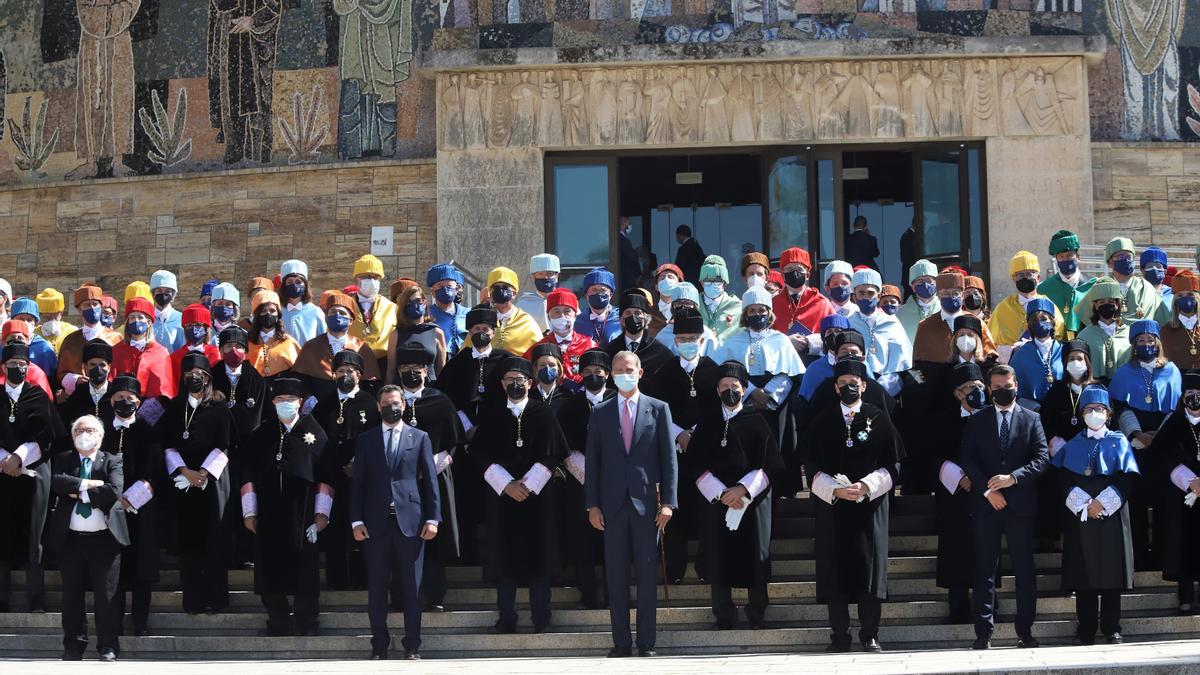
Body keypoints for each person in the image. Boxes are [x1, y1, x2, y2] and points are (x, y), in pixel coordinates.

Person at [805, 359, 903, 653]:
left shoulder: (879, 417)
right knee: (835, 569)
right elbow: (810, 465)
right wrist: (835, 489)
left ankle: (870, 633)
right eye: (843, 382)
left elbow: (894, 463)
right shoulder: (822, 420)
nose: (849, 387)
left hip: (869, 508)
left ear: (864, 385)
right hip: (833, 507)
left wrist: (866, 486)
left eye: (854, 382)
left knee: (869, 569)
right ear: (835, 387)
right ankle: (839, 635)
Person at [585, 350, 678, 657]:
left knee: (648, 574)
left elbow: (669, 459)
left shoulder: (658, 408)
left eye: (629, 369)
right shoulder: (600, 412)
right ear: (611, 374)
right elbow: (593, 463)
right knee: (615, 575)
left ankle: (647, 642)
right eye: (617, 369)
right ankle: (621, 642)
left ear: (640, 373)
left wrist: (669, 503)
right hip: (611, 506)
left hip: (647, 504)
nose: (623, 373)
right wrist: (592, 505)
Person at [472, 356, 569, 634]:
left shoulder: (544, 413)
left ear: (530, 382)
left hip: (538, 496)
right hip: (502, 497)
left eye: (520, 379)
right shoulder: (491, 414)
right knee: (504, 558)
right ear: (502, 384)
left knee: (540, 555)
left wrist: (527, 484)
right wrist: (506, 484)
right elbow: (479, 454)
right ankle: (506, 616)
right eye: (509, 379)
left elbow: (555, 453)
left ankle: (541, 616)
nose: (515, 384)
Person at [959, 364, 1048, 649]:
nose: (1002, 391)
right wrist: (988, 490)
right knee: (984, 569)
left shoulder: (1032, 418)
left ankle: (1025, 630)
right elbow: (969, 460)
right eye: (996, 387)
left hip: (1020, 505)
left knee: (1024, 569)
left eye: (1007, 386)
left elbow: (1042, 458)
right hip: (986, 506)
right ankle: (983, 632)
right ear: (989, 389)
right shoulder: (976, 420)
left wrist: (1013, 479)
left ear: (1016, 385)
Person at [349, 385, 440, 660]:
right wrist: (356, 520)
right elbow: (358, 484)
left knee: (412, 588)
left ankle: (412, 645)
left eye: (396, 403)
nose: (392, 407)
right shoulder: (366, 439)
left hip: (411, 524)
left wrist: (433, 518)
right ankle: (379, 645)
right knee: (377, 588)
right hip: (375, 525)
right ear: (378, 407)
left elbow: (430, 482)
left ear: (404, 404)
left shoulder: (420, 437)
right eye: (387, 403)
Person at [690, 360, 782, 629]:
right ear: (717, 390)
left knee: (754, 553)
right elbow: (694, 463)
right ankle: (723, 614)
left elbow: (771, 464)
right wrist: (721, 493)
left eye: (735, 386)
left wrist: (743, 489)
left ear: (744, 389)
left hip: (750, 502)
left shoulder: (759, 421)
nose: (730, 390)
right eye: (724, 386)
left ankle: (757, 612)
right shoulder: (707, 423)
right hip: (716, 500)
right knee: (718, 554)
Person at [240, 377, 331, 636]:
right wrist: (249, 511)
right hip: (269, 513)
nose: (285, 405)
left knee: (305, 569)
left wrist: (322, 513)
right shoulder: (262, 434)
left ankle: (306, 622)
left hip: (303, 514)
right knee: (270, 568)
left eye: (290, 400)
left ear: (300, 403)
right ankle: (278, 621)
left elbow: (326, 475)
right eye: (280, 400)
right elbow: (247, 474)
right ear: (272, 403)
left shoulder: (315, 432)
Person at [1050, 384, 1139, 645]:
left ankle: (1112, 627)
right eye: (1089, 409)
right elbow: (1062, 478)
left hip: (1112, 515)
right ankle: (1086, 628)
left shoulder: (1119, 441)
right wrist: (1083, 503)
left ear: (1108, 414)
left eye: (1099, 409)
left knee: (1112, 574)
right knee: (1083, 574)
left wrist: (1104, 503)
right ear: (1082, 412)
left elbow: (1127, 479)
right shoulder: (1073, 444)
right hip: (1081, 516)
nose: (1094, 413)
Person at [644, 307, 719, 584]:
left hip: (707, 452)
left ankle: (706, 567)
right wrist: (679, 434)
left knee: (707, 510)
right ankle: (673, 568)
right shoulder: (662, 373)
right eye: (682, 338)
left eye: (693, 338)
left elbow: (720, 407)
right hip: (673, 452)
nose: (688, 342)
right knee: (673, 510)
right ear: (675, 341)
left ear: (702, 340)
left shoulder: (714, 370)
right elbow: (653, 411)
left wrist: (696, 433)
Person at [49, 415, 128, 662]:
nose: (85, 433)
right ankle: (73, 646)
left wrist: (79, 493)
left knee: (107, 597)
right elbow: (57, 482)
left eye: (91, 429)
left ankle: (108, 645)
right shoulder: (63, 459)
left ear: (101, 436)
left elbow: (114, 490)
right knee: (71, 596)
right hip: (71, 540)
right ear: (73, 436)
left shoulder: (112, 460)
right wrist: (89, 483)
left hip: (105, 540)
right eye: (80, 430)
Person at [163, 353, 235, 614]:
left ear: (208, 378)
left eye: (200, 374)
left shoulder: (219, 406)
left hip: (211, 481)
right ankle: (192, 600)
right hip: (183, 481)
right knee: (189, 545)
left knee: (213, 542)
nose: (195, 378)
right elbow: (167, 443)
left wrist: (203, 473)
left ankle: (216, 600)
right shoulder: (174, 406)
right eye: (189, 373)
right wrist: (185, 471)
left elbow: (225, 444)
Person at [393, 344, 463, 612]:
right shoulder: (391, 400)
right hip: (398, 482)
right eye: (406, 370)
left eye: (417, 369)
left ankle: (434, 596)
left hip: (433, 479)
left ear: (426, 371)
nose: (412, 374)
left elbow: (453, 441)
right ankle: (400, 596)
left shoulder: (440, 400)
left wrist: (428, 467)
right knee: (399, 537)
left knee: (433, 537)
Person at [1108, 319, 1181, 570]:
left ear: (1158, 343)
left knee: (1163, 504)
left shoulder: (1171, 370)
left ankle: (1162, 557)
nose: (1146, 345)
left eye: (1150, 340)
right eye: (1140, 341)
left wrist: (1158, 437)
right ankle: (1138, 558)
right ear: (1133, 345)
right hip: (1135, 445)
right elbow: (1119, 407)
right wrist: (1138, 435)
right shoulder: (1123, 372)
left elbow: (1176, 408)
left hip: (1164, 441)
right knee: (1137, 504)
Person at [0, 342, 61, 614]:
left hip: (33, 474)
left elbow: (46, 436)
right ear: (4, 368)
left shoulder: (38, 396)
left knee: (34, 535)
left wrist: (19, 458)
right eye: (13, 365)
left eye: (23, 365)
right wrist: (5, 459)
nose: (18, 369)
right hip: (2, 474)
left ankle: (35, 600)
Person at [932, 362, 987, 624]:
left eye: (980, 386)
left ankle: (986, 606)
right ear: (957, 394)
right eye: (970, 388)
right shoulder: (943, 421)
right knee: (956, 549)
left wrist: (979, 480)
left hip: (987, 494)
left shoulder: (993, 418)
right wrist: (961, 478)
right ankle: (958, 607)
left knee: (985, 550)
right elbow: (935, 456)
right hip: (954, 495)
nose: (977, 392)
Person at [106, 375, 161, 636]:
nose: (125, 403)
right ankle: (113, 623)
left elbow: (155, 471)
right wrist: (113, 497)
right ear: (111, 401)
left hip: (141, 508)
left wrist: (131, 498)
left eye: (130, 399)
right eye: (120, 398)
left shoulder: (148, 431)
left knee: (141, 569)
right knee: (112, 569)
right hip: (108, 510)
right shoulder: (101, 429)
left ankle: (140, 622)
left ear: (138, 402)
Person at [714, 287, 804, 436]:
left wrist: (769, 397)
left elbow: (790, 375)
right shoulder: (733, 342)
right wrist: (752, 392)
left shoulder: (780, 340)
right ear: (745, 315)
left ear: (769, 313)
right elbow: (727, 373)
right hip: (743, 403)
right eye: (752, 311)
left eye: (762, 310)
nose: (757, 314)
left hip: (775, 406)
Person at [1037, 340, 1097, 550]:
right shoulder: (1057, 390)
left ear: (1088, 362)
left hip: (1090, 455)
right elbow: (1044, 422)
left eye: (1079, 358)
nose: (1075, 362)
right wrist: (1054, 441)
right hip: (1060, 455)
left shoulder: (1097, 389)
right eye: (1071, 359)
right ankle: (1054, 538)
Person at [1156, 371, 1200, 614]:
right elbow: (1162, 454)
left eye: (1199, 394)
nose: (1194, 398)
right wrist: (1189, 480)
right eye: (1190, 394)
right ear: (1183, 397)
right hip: (1182, 494)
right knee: (1183, 544)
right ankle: (1185, 596)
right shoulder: (1174, 422)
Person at [291, 292, 382, 403]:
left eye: (342, 313)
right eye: (333, 312)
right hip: (319, 407)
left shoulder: (362, 348)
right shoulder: (311, 346)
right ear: (326, 318)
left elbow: (371, 383)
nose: (337, 315)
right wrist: (308, 399)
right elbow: (299, 380)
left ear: (351, 321)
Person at [989, 251, 1067, 357]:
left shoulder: (1049, 306)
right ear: (1013, 279)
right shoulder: (1002, 308)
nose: (1025, 278)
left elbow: (1059, 339)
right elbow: (992, 345)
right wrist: (1013, 350)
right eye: (1020, 275)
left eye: (1029, 274)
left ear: (1038, 278)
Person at [848, 268, 912, 397]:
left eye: (871, 293)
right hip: (857, 385)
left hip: (890, 384)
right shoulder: (848, 323)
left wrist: (882, 387)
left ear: (878, 296)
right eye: (861, 293)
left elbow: (901, 359)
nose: (866, 297)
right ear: (854, 297)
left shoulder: (892, 323)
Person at [913, 271, 998, 365]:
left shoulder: (976, 322)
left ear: (962, 295)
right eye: (945, 293)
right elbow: (917, 363)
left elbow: (990, 356)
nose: (950, 297)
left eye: (955, 293)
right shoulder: (926, 325)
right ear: (938, 295)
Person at [524, 288, 597, 388]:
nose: (562, 316)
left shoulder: (589, 345)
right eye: (556, 312)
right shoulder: (538, 348)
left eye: (567, 311)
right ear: (549, 316)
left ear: (575, 315)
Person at [603, 291, 674, 391]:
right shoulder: (610, 351)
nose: (633, 317)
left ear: (646, 318)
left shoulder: (662, 354)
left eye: (637, 313)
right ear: (622, 320)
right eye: (628, 313)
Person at [56, 284, 121, 389]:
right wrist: (75, 380)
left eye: (95, 304)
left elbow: (121, 370)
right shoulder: (70, 341)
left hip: (109, 396)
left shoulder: (116, 338)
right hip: (80, 397)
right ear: (79, 309)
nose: (92, 308)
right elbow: (61, 373)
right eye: (87, 305)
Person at [112, 297, 176, 399]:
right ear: (127, 323)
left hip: (151, 411)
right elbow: (111, 384)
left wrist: (146, 413)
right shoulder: (117, 351)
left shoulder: (161, 353)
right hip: (122, 407)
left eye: (140, 317)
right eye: (132, 317)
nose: (136, 320)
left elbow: (164, 390)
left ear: (149, 322)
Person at [771, 247, 833, 350]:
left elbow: (833, 336)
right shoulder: (773, 304)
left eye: (799, 269)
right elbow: (763, 337)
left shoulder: (822, 303)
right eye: (790, 269)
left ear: (807, 275)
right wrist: (785, 341)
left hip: (813, 362)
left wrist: (809, 342)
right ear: (783, 276)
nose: (795, 273)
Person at [1039, 230, 1096, 338]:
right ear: (1056, 259)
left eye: (1070, 255)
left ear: (1078, 257)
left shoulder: (1093, 286)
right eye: (1061, 256)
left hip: (1086, 345)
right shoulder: (1043, 290)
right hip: (1055, 346)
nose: (1066, 259)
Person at [385, 285, 447, 384]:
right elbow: (391, 370)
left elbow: (442, 369)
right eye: (409, 302)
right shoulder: (396, 334)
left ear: (424, 302)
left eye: (418, 300)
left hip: (430, 388)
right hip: (402, 388)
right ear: (404, 306)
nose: (415, 305)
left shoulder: (436, 332)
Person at [1074, 277, 1132, 381]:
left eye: (1110, 301)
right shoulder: (1084, 336)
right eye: (1101, 302)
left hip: (1124, 387)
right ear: (1095, 306)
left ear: (1117, 305)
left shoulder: (1129, 333)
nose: (1106, 304)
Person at [1008, 298, 1064, 404]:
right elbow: (1014, 388)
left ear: (1052, 322)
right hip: (1032, 410)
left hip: (1060, 408)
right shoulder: (1020, 354)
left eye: (1043, 319)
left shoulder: (1064, 350)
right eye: (1035, 321)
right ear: (1030, 325)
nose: (1039, 323)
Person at [348, 255, 399, 371]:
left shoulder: (392, 308)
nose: (371, 281)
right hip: (352, 363)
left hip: (383, 364)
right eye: (366, 276)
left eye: (376, 277)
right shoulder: (346, 305)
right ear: (357, 278)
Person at [484, 266, 541, 356]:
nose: (500, 290)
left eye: (505, 287)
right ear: (490, 293)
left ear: (514, 293)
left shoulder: (526, 321)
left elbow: (538, 353)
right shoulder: (482, 318)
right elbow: (468, 349)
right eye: (496, 287)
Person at [1104, 237, 1162, 325]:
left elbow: (1162, 321)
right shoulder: (1101, 286)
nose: (1126, 259)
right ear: (1110, 262)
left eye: (1129, 256)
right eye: (1121, 256)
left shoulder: (1147, 288)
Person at [59, 339, 116, 425]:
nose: (98, 369)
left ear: (109, 368)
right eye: (93, 365)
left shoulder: (116, 394)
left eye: (102, 365)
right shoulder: (76, 396)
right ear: (85, 367)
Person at [246, 291, 300, 380]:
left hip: (282, 391)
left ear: (278, 314)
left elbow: (299, 373)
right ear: (257, 315)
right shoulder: (246, 342)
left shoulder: (289, 342)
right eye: (263, 311)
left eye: (272, 311)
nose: (268, 314)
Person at [279, 260, 327, 346]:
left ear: (305, 285)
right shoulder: (279, 312)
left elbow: (323, 341)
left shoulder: (315, 312)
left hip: (308, 358)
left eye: (298, 282)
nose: (294, 285)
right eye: (290, 282)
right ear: (284, 286)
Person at [1161, 270, 1200, 372]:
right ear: (1174, 301)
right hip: (1178, 381)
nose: (1185, 299)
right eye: (1180, 296)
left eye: (1189, 294)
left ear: (1197, 298)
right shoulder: (1166, 330)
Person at [698, 255, 742, 346]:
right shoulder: (693, 306)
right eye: (708, 280)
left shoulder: (738, 307)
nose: (713, 283)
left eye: (717, 280)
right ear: (701, 282)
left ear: (725, 283)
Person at [170, 304, 220, 383]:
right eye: (189, 325)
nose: (193, 329)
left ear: (206, 328)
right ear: (185, 329)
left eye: (198, 325)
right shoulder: (175, 357)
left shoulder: (216, 354)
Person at [10, 298, 59, 378]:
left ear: (35, 323)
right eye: (21, 319)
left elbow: (51, 379)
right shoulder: (3, 344)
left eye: (29, 320)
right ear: (12, 320)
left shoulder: (44, 348)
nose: (25, 323)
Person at [427, 264, 469, 354]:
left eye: (449, 286)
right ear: (432, 292)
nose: (446, 290)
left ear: (456, 289)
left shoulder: (468, 313)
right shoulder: (426, 314)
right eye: (440, 286)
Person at [896, 259, 940, 344]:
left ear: (936, 283)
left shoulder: (944, 309)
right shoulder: (900, 314)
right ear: (912, 286)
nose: (925, 284)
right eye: (920, 281)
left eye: (928, 280)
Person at [576, 267, 622, 346]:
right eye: (594, 290)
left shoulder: (621, 318)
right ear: (587, 294)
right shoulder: (577, 321)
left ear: (610, 294)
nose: (598, 294)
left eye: (602, 290)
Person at [515, 253, 560, 333]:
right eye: (540, 274)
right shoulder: (523, 305)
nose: (545, 277)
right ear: (533, 277)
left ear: (556, 277)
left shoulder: (566, 301)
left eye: (549, 273)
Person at [150, 270, 185, 353]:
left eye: (167, 291)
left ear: (173, 294)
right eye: (159, 291)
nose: (163, 294)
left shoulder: (181, 318)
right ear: (153, 294)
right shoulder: (147, 318)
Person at [34, 288, 77, 355]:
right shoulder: (34, 334)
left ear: (61, 312)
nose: (48, 314)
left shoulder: (72, 332)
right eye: (44, 313)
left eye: (53, 313)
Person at [1140, 246, 1174, 323]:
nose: (1154, 269)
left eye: (1158, 266)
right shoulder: (1137, 292)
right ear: (1143, 271)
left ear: (1165, 271)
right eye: (1150, 266)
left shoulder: (1173, 294)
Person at [618, 217, 642, 292]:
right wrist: (638, 274)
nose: (629, 225)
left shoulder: (621, 239)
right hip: (626, 280)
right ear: (623, 223)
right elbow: (631, 259)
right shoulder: (622, 240)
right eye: (629, 223)